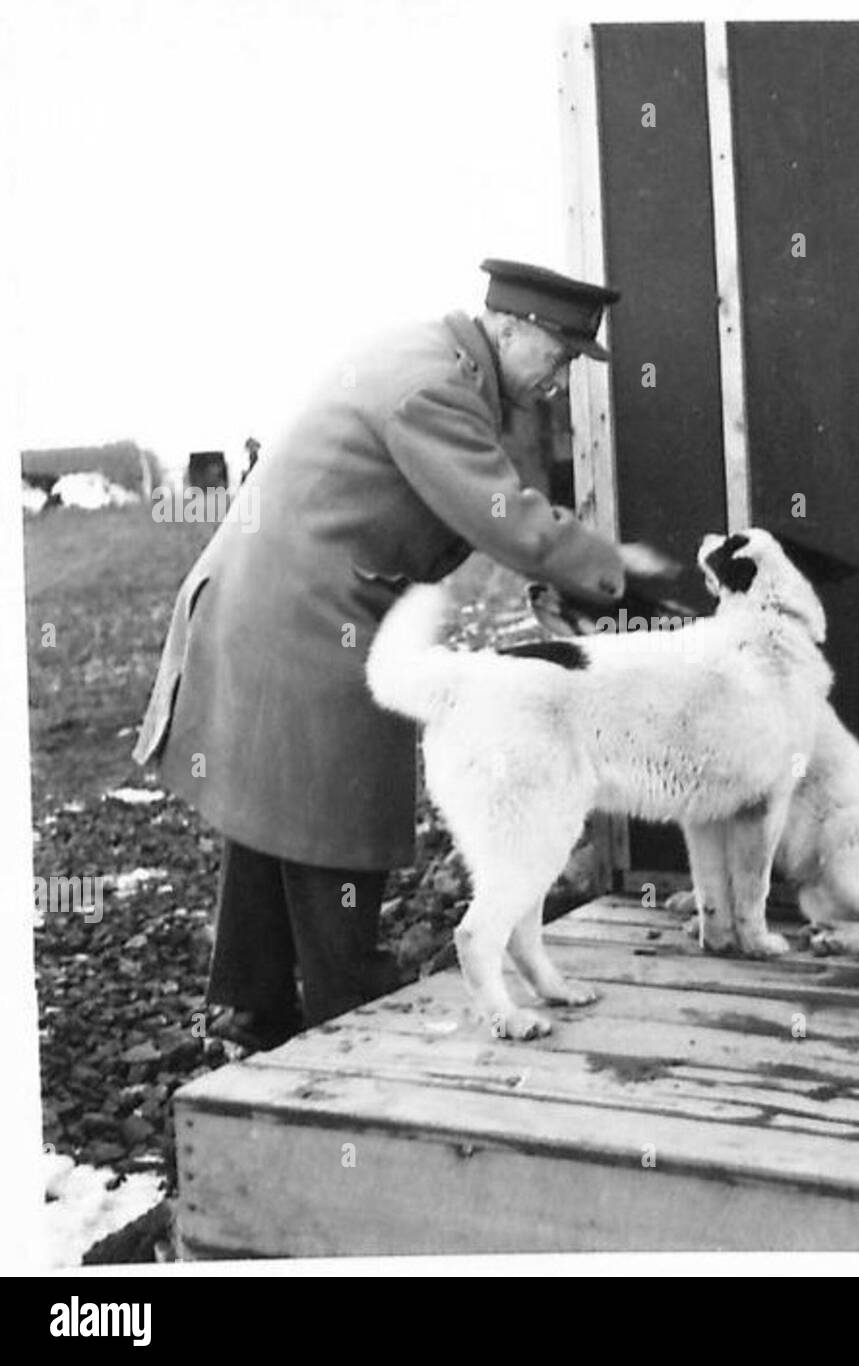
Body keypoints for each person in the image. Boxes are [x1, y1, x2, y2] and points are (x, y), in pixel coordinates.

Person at [134, 259, 644, 1050]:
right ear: (511, 330)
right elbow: (505, 515)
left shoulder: (433, 361)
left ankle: (246, 1009)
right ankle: (346, 1024)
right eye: (561, 354)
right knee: (336, 813)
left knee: (273, 812)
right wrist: (623, 577)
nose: (561, 375)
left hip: (269, 601)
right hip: (303, 615)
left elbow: (455, 513)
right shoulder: (433, 386)